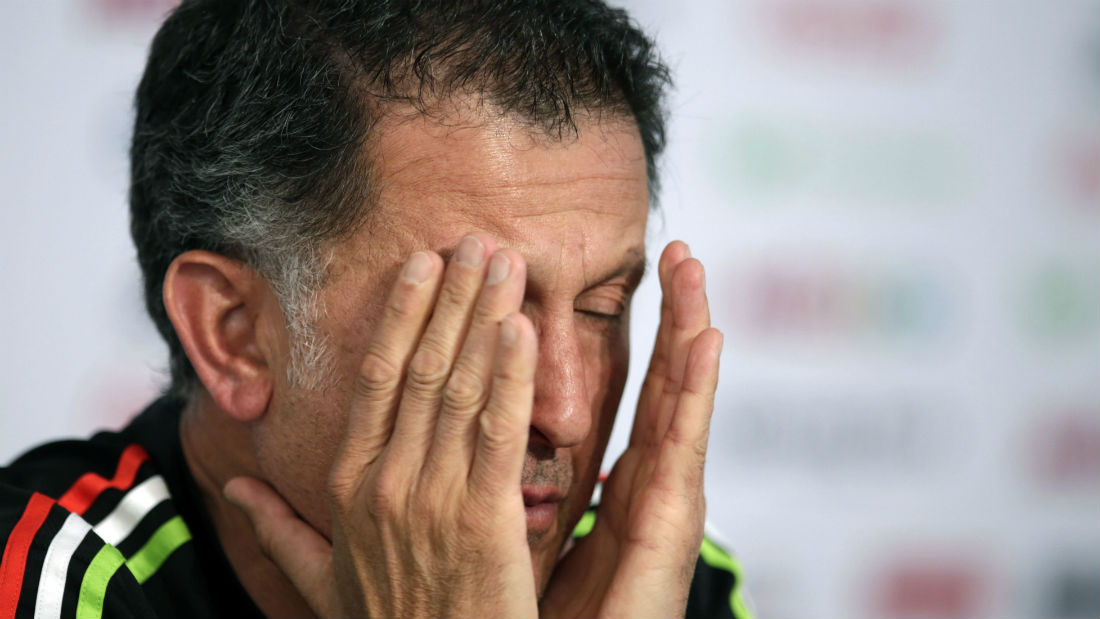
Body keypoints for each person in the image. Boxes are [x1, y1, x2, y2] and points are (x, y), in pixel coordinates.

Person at [0, 0, 751, 617]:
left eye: (601, 307)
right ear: (235, 333)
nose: (569, 410)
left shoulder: (655, 572)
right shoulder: (50, 574)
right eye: (483, 313)